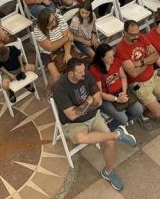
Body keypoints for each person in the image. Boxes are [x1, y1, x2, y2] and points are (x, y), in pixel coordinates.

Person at [53, 58, 137, 192]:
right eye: (79, 72)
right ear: (70, 74)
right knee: (80, 138)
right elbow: (72, 115)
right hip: (74, 124)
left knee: (109, 143)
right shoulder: (60, 88)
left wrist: (87, 104)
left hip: (93, 116)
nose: (84, 74)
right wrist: (87, 102)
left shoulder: (86, 75)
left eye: (83, 71)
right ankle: (117, 134)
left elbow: (98, 101)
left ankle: (108, 172)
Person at [116, 21, 160, 132]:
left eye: (137, 33)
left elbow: (156, 56)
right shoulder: (120, 49)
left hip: (153, 76)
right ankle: (144, 115)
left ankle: (150, 106)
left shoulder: (141, 37)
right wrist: (149, 60)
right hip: (139, 84)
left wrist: (141, 62)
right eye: (132, 34)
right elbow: (133, 73)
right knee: (158, 113)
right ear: (125, 33)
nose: (136, 36)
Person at [89, 43, 144, 131]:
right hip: (106, 99)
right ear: (101, 58)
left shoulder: (116, 61)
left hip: (120, 92)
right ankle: (110, 128)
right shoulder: (95, 70)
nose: (112, 58)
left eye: (113, 55)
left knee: (139, 110)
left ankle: (117, 125)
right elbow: (100, 93)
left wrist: (124, 92)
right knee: (123, 119)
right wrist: (116, 99)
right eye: (109, 57)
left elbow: (123, 77)